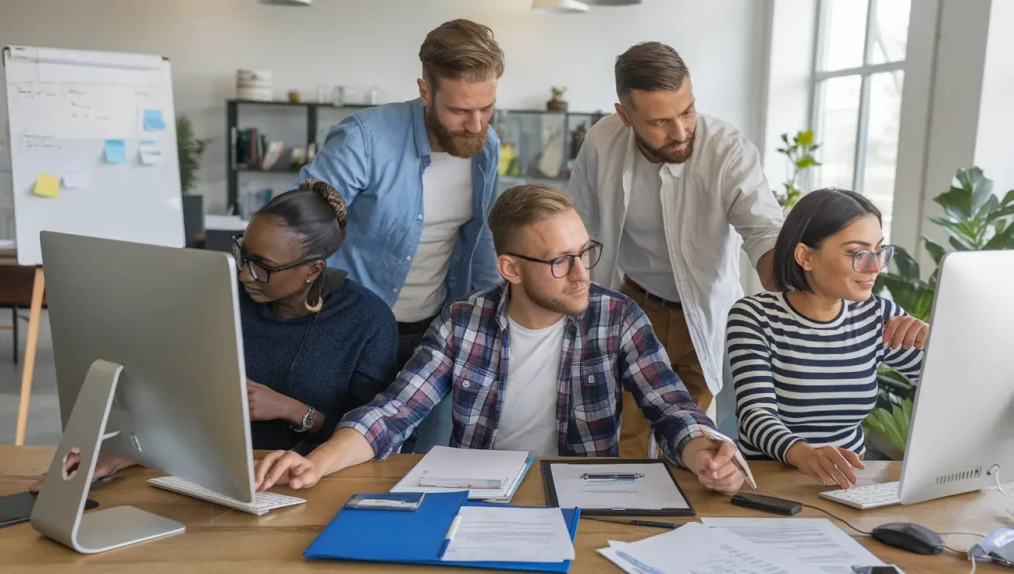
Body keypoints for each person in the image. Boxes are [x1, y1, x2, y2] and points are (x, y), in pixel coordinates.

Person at [253, 184, 745, 496]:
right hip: (480, 494)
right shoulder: (463, 320)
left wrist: (706, 454)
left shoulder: (617, 317)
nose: (581, 274)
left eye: (584, 253)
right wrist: (315, 463)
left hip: (582, 496)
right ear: (510, 268)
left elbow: (671, 407)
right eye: (560, 261)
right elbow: (393, 412)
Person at [32, 180, 398, 488]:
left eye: (263, 268)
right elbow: (172, 397)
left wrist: (290, 409)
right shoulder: (221, 298)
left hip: (316, 482)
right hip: (207, 475)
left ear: (312, 269)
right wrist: (123, 454)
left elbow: (380, 436)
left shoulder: (366, 322)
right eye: (243, 254)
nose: (244, 275)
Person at [567, 42, 784, 457]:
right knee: (622, 436)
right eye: (660, 121)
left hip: (703, 313)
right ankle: (618, 520)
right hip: (632, 307)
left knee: (693, 443)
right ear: (625, 115)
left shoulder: (728, 150)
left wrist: (788, 282)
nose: (681, 131)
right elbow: (579, 228)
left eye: (687, 112)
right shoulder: (601, 143)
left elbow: (764, 231)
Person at [293, 19, 505, 380]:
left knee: (428, 437)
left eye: (486, 108)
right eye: (460, 111)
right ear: (425, 91)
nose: (476, 125)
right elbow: (297, 229)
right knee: (345, 433)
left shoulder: (487, 150)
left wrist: (486, 323)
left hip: (434, 331)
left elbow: (482, 240)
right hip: (348, 330)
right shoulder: (365, 140)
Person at [727, 188, 927, 490]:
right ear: (805, 256)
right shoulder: (754, 316)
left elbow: (943, 386)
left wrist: (933, 343)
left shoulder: (878, 315)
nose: (874, 267)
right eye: (857, 253)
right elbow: (755, 415)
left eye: (878, 251)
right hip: (771, 482)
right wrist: (802, 453)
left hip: (852, 482)